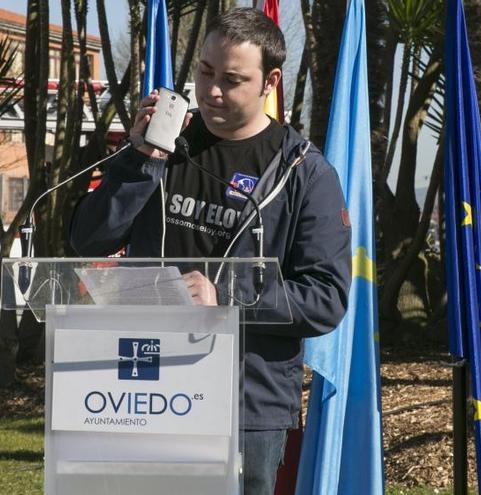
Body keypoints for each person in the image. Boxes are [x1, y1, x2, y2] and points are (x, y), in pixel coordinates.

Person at [68, 8, 351, 494]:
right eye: (204, 72)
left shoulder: (305, 173)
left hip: (245, 402)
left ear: (270, 81)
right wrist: (140, 162)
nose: (212, 90)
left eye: (232, 79)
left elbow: (327, 297)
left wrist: (227, 296)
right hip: (140, 385)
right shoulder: (164, 144)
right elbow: (89, 239)